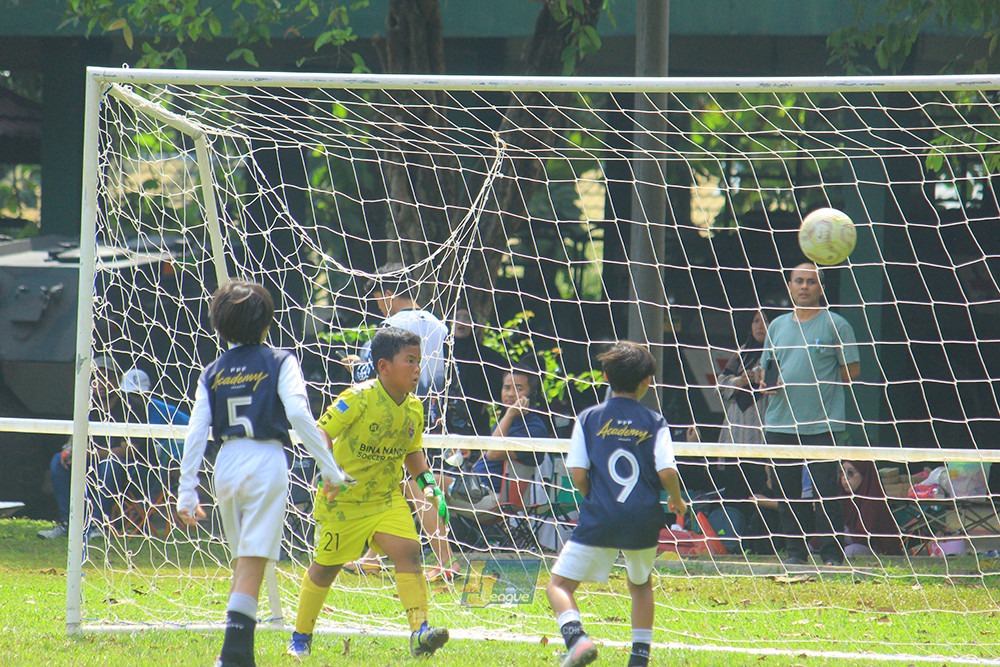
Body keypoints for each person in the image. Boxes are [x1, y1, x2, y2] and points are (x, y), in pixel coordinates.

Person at [176, 280, 353, 667]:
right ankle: (234, 656)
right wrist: (330, 468)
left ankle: (238, 655)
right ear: (267, 322)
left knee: (245, 561)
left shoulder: (211, 371)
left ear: (218, 325)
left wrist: (187, 490)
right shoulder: (280, 360)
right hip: (265, 462)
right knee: (253, 562)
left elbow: (195, 431)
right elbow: (299, 414)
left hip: (225, 463)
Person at [287, 326, 450, 659]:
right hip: (343, 501)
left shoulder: (415, 409)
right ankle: (300, 637)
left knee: (408, 551)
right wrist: (330, 471)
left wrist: (428, 485)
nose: (418, 369)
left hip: (386, 499)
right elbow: (322, 431)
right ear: (383, 366)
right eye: (410, 361)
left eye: (419, 361)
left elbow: (412, 452)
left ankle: (419, 632)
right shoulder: (359, 397)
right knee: (325, 568)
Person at [546, 342, 686, 667]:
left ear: (606, 376)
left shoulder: (588, 418)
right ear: (647, 381)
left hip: (601, 515)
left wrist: (590, 495)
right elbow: (667, 469)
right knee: (640, 584)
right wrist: (676, 498)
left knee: (559, 585)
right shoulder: (655, 421)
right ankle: (639, 657)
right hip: (643, 517)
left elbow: (578, 472)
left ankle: (577, 640)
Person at [759, 262, 860, 567]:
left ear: (822, 289)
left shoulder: (836, 324)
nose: (803, 287)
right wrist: (766, 384)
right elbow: (767, 371)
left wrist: (816, 380)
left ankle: (831, 554)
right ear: (790, 287)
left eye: (811, 282)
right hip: (780, 421)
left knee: (826, 492)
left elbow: (852, 372)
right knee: (787, 494)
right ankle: (795, 553)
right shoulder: (776, 325)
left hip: (821, 423)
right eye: (798, 281)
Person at [37, 355, 127, 539]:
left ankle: (98, 524)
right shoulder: (85, 404)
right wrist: (69, 450)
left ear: (118, 380)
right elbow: (73, 436)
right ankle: (68, 523)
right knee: (58, 461)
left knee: (110, 465)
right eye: (96, 377)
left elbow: (130, 449)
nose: (101, 383)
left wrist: (93, 455)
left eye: (107, 377)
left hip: (123, 467)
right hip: (88, 461)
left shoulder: (130, 406)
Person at [92, 368, 190, 528]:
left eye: (140, 394)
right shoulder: (123, 408)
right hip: (125, 468)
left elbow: (191, 427)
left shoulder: (163, 410)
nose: (136, 399)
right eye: (131, 394)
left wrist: (178, 457)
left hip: (153, 469)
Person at [448, 308, 506, 435]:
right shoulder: (440, 353)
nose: (461, 322)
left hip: (476, 422)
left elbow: (508, 375)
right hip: (446, 421)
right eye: (456, 317)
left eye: (466, 318)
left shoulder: (484, 355)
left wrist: (488, 398)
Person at [840, 460, 903, 557]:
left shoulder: (873, 499)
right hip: (850, 543)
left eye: (851, 473)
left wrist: (838, 529)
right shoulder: (842, 496)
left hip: (876, 549)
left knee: (850, 551)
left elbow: (863, 537)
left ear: (864, 475)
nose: (845, 478)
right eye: (842, 472)